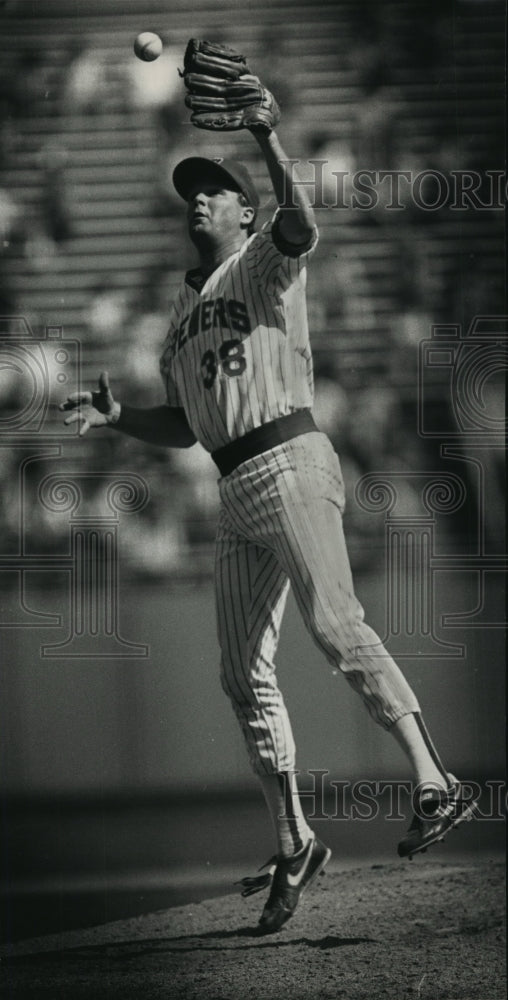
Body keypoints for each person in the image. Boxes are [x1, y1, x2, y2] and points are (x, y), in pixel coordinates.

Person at [60, 122, 478, 935]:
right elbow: (186, 427)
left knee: (335, 625)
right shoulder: (179, 312)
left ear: (245, 212)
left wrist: (264, 132)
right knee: (240, 673)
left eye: (214, 190)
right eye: (191, 192)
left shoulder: (259, 261)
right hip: (235, 486)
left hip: (290, 458)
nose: (198, 199)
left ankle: (436, 781)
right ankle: (295, 842)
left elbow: (302, 225)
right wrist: (118, 416)